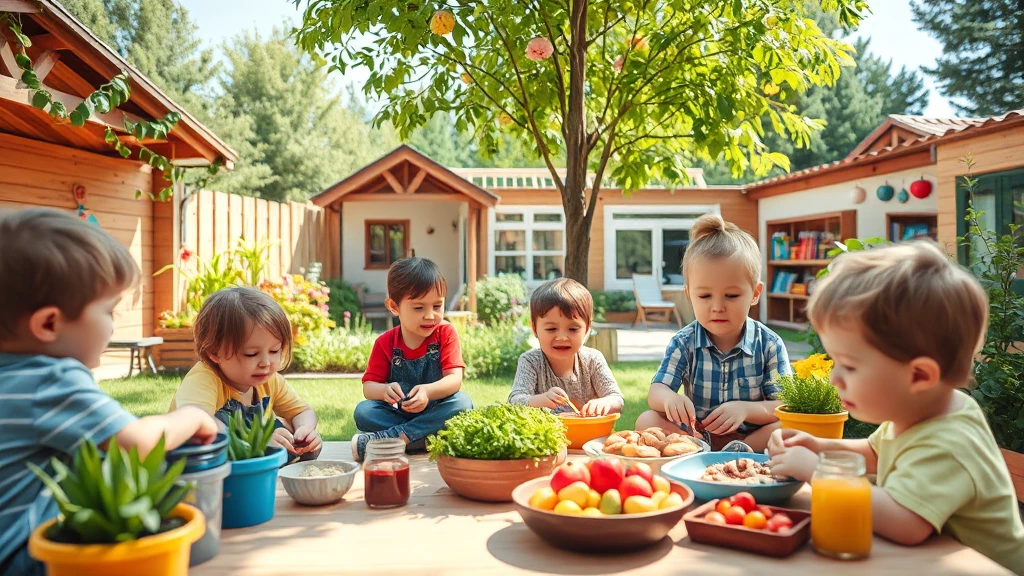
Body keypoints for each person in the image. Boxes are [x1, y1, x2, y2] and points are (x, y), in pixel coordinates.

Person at [767, 241, 1024, 573]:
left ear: (918, 375)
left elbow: (905, 522)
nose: (834, 378)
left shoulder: (949, 441)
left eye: (850, 365)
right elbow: (877, 452)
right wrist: (820, 446)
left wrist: (819, 471)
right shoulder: (919, 411)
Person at [0, 209, 218, 576]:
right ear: (49, 323)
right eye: (110, 311)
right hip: (25, 560)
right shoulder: (50, 380)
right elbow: (139, 444)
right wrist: (193, 415)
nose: (114, 324)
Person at [636, 213, 791, 452]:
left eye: (731, 295)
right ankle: (701, 452)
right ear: (689, 295)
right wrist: (670, 398)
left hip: (752, 439)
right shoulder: (683, 342)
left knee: (791, 428)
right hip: (695, 436)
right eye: (705, 296)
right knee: (646, 420)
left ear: (755, 293)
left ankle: (736, 452)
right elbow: (656, 391)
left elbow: (783, 405)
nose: (717, 306)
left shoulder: (769, 344)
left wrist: (745, 410)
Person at [170, 287, 322, 460]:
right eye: (251, 354)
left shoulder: (270, 380)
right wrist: (258, 441)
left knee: (297, 442)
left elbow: (301, 411)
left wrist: (304, 430)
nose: (265, 362)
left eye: (274, 351)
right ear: (214, 352)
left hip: (243, 459)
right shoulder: (203, 379)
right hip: (198, 464)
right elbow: (197, 423)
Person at [351, 258, 473, 462]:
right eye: (418, 308)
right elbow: (368, 387)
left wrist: (427, 391)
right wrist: (384, 391)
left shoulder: (446, 333)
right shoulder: (385, 342)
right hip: (400, 414)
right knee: (363, 411)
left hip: (436, 410)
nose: (430, 315)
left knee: (462, 403)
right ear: (394, 306)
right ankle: (421, 439)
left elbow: (454, 380)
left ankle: (396, 438)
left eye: (437, 305)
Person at [508, 278, 624, 416]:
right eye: (551, 329)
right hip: (547, 434)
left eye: (573, 329)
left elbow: (617, 399)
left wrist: (606, 402)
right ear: (534, 329)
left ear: (587, 329)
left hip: (590, 433)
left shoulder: (593, 359)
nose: (562, 337)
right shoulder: (531, 361)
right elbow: (514, 401)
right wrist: (540, 400)